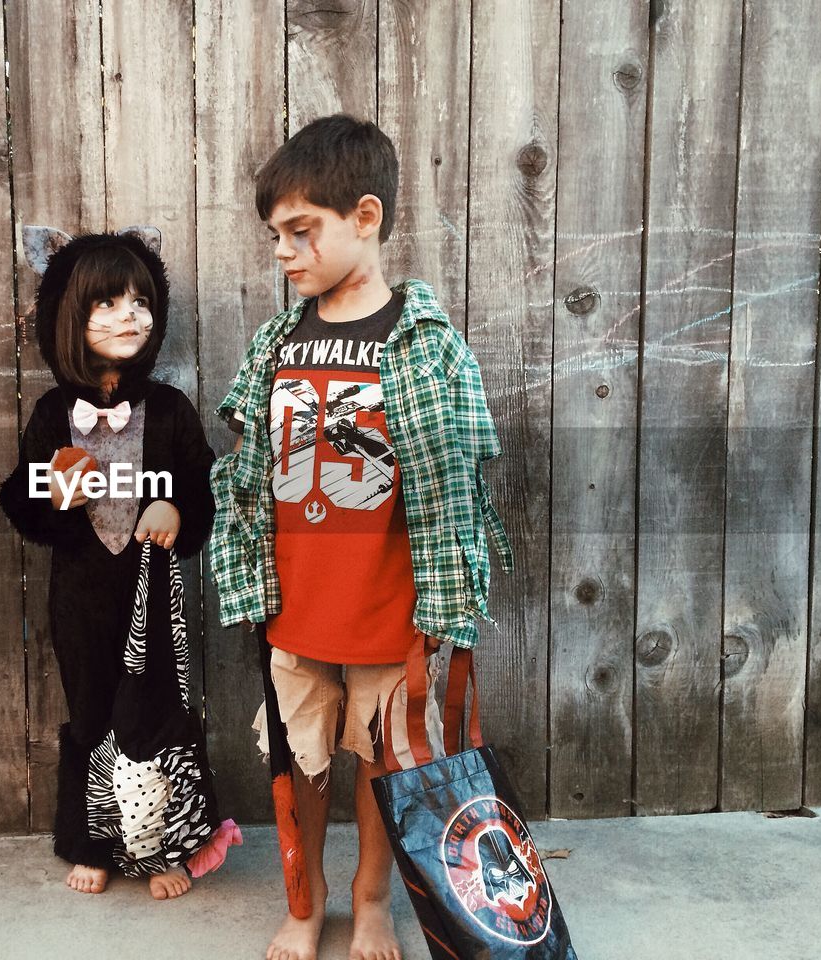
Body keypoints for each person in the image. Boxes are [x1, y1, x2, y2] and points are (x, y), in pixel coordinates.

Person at [209, 115, 514, 960]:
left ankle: (372, 899)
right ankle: (303, 905)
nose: (284, 251)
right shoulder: (277, 344)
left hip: (389, 605)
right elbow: (245, 472)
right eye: (275, 235)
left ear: (367, 217)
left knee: (387, 765)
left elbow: (459, 485)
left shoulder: (426, 348)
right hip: (297, 603)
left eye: (302, 231)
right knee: (300, 763)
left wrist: (445, 597)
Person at [0, 228, 239, 901]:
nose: (128, 315)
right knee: (90, 712)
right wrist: (53, 495)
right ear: (67, 322)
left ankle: (165, 843)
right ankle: (93, 841)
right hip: (79, 593)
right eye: (105, 304)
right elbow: (21, 499)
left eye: (139, 301)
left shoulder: (168, 410)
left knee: (157, 712)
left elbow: (202, 487)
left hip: (152, 592)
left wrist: (179, 515)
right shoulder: (53, 415)